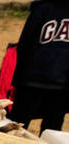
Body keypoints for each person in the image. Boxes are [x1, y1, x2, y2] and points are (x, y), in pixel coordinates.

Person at [11, 0, 69, 133]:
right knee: (52, 128)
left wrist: (18, 79)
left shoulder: (41, 7)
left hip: (33, 78)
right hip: (58, 83)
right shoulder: (41, 7)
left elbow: (24, 45)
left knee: (17, 124)